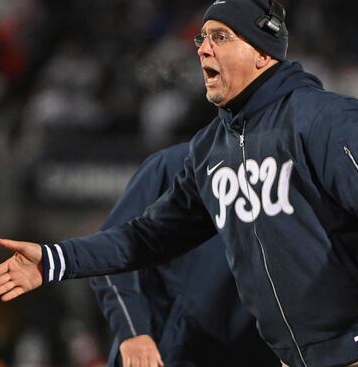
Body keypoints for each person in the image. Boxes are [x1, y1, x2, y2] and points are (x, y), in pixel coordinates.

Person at [0, 0, 358, 367]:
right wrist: (55, 260)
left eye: (221, 36)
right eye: (201, 38)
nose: (203, 47)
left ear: (263, 53)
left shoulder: (323, 116)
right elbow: (145, 238)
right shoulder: (209, 151)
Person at [89, 142, 279, 367]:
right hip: (163, 354)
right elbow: (110, 257)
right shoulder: (174, 164)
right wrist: (133, 332)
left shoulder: (295, 172)